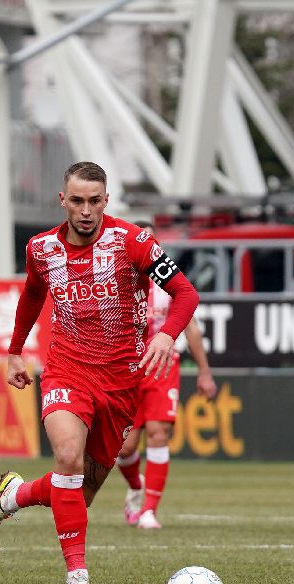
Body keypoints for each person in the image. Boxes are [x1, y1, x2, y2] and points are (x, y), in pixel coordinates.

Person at [0, 161, 199, 584]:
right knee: (66, 458)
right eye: (77, 201)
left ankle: (15, 495)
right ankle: (78, 578)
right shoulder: (41, 248)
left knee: (79, 492)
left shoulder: (134, 243)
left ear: (106, 201)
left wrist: (165, 334)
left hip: (121, 384)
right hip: (67, 371)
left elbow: (186, 293)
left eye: (94, 201)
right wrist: (15, 350)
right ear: (62, 200)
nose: (85, 210)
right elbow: (33, 295)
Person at [116, 220, 217, 530]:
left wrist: (204, 371)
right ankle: (136, 486)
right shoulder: (115, 282)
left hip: (163, 364)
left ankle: (149, 510)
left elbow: (192, 326)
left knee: (159, 433)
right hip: (125, 369)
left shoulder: (167, 284)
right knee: (125, 447)